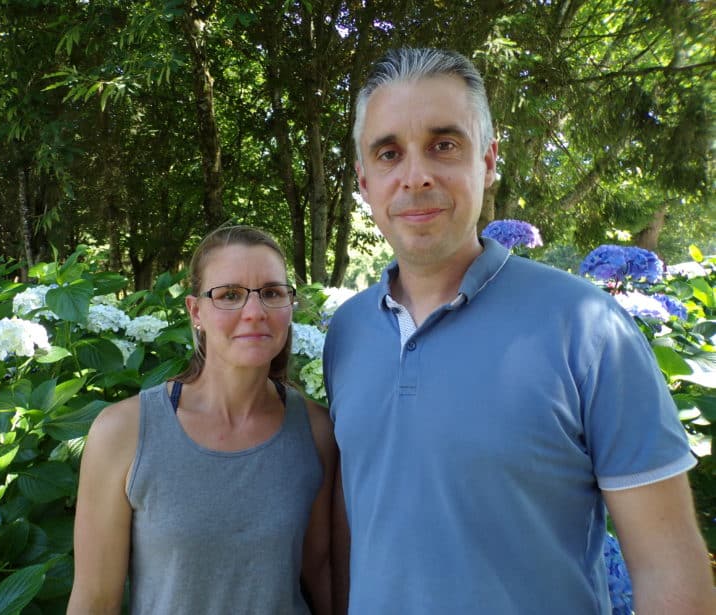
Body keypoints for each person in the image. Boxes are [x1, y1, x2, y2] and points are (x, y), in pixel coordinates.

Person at [323, 48, 714, 614]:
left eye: (444, 145)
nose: (416, 176)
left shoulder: (589, 329)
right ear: (364, 181)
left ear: (487, 160)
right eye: (389, 154)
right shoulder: (349, 333)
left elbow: (667, 566)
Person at [68, 225, 336, 614]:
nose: (254, 312)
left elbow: (321, 572)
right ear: (196, 312)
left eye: (272, 293)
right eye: (229, 295)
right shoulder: (123, 432)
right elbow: (94, 601)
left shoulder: (316, 431)